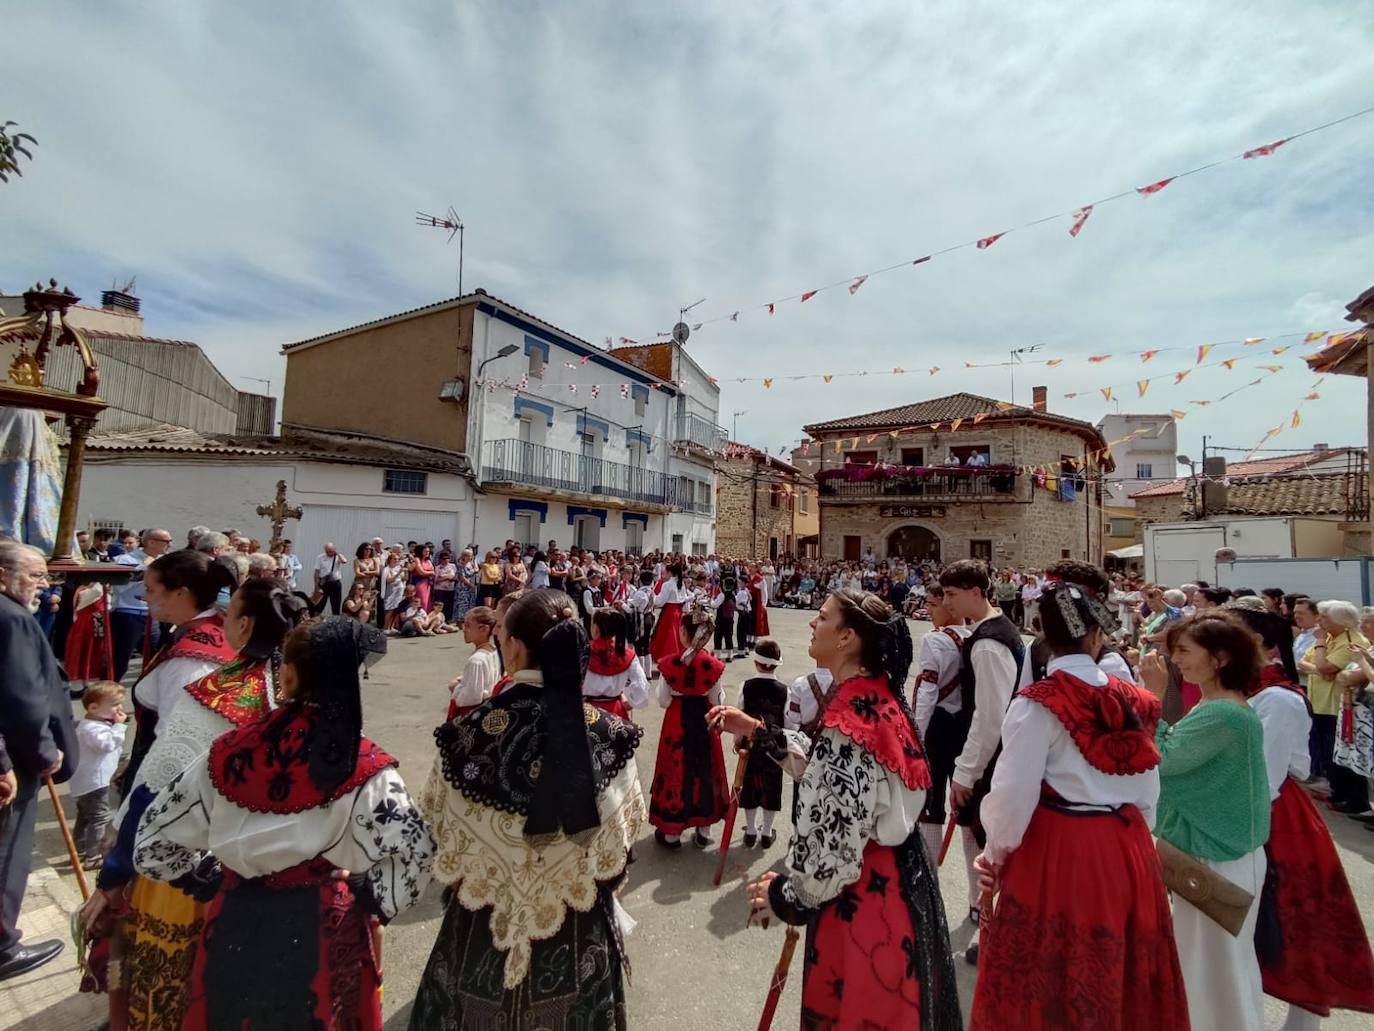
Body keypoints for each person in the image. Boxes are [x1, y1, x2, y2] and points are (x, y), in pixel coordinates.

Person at [134, 618, 435, 1029]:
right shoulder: (361, 763)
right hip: (325, 922)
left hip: (236, 913)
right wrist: (374, 894)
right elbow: (415, 850)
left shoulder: (229, 750)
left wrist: (199, 875)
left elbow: (153, 840)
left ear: (288, 673)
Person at [715, 590, 962, 1029]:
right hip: (896, 882)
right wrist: (758, 730)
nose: (813, 623)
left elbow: (835, 842)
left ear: (847, 637)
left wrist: (785, 896)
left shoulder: (854, 720)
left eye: (823, 617)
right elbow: (831, 774)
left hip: (866, 901)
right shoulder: (874, 697)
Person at [411, 591, 644, 1029]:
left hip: (483, 926)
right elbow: (622, 837)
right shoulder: (610, 735)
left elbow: (438, 824)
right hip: (577, 927)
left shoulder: (468, 732)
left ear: (514, 647)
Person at [969, 574, 1187, 1029]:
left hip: (1060, 849)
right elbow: (1148, 789)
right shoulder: (1140, 701)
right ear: (1096, 635)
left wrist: (995, 855)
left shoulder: (1037, 703)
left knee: (1048, 973)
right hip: (1126, 849)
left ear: (1044, 634)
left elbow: (1012, 798)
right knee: (1117, 968)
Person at [89, 552, 240, 1026]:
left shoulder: (194, 659)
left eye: (152, 590)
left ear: (180, 593)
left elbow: (173, 755)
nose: (146, 599)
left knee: (159, 936)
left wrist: (118, 858)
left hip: (173, 814)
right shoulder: (201, 636)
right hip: (179, 798)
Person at [1235, 606, 1374, 1028]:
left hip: (1273, 815)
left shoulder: (1276, 697)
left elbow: (1264, 775)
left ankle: (1299, 1016)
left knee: (1289, 918)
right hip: (1259, 808)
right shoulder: (1254, 691)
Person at [1140, 613, 1271, 1031]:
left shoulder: (1225, 713)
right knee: (1210, 969)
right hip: (1212, 851)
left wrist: (1155, 696)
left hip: (1218, 854)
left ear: (1218, 659)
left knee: (1218, 972)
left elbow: (1165, 760)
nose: (1174, 659)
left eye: (1182, 651)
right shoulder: (1218, 705)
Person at [940, 558, 1027, 952]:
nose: (947, 602)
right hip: (994, 757)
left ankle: (986, 916)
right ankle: (984, 912)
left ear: (976, 592)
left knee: (983, 836)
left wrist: (965, 772)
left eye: (953, 595)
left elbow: (990, 715)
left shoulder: (989, 643)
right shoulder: (990, 633)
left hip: (991, 760)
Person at [0, 541, 75, 980]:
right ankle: (3, 946)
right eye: (35, 576)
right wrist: (45, 752)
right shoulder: (11, 618)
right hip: (14, 761)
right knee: (7, 852)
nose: (44, 585)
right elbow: (23, 699)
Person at [649, 602, 729, 849]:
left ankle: (672, 833)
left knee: (677, 770)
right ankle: (704, 831)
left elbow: (663, 700)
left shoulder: (670, 664)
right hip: (704, 720)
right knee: (704, 768)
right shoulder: (712, 665)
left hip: (677, 722)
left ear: (684, 633)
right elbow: (718, 699)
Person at [912, 582, 970, 864]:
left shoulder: (934, 640)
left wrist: (917, 734)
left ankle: (929, 874)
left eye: (933, 605)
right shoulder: (974, 636)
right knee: (967, 809)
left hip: (937, 725)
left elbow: (927, 692)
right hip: (966, 725)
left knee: (931, 804)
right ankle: (974, 900)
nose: (929, 610)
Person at [1301, 600, 1369, 813]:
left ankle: (1353, 799)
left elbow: (1325, 666)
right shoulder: (1329, 637)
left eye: (1325, 617)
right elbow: (1304, 662)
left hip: (1337, 705)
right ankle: (1337, 792)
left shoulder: (1351, 641)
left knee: (1342, 756)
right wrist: (1321, 669)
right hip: (1319, 702)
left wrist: (1320, 647)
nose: (1320, 621)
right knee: (1327, 753)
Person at [735, 638, 787, 849]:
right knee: (771, 786)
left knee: (750, 784)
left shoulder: (746, 686)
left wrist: (738, 741)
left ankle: (750, 830)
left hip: (751, 742)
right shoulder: (784, 689)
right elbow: (789, 720)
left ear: (756, 662)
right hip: (775, 744)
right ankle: (766, 832)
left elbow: (739, 715)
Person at [70, 681, 128, 867]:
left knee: (86, 816)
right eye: (114, 705)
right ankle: (93, 854)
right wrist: (119, 727)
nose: (119, 709)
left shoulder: (96, 725)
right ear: (94, 708)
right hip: (94, 782)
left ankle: (79, 848)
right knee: (99, 817)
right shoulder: (91, 729)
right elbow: (108, 745)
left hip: (89, 781)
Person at [110, 527, 175, 681]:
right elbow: (119, 587)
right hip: (128, 613)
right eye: (167, 542)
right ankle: (107, 689)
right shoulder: (124, 560)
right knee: (120, 657)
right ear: (151, 542)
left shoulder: (163, 561)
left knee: (154, 656)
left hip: (153, 614)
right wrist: (145, 569)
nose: (170, 545)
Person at [583, 608, 650, 720]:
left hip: (587, 713)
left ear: (596, 628)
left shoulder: (582, 652)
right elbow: (641, 687)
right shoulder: (626, 654)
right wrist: (632, 703)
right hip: (615, 712)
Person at [445, 606, 501, 719]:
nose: (464, 629)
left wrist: (455, 687)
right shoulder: (494, 652)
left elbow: (471, 697)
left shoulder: (477, 660)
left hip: (473, 716)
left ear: (483, 629)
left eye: (468, 625)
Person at [312, 542, 347, 615]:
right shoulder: (320, 557)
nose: (329, 553)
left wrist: (337, 554)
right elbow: (317, 572)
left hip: (335, 583)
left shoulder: (338, 557)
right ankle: (314, 620)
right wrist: (316, 586)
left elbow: (344, 561)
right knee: (320, 604)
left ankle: (336, 621)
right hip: (324, 583)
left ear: (334, 549)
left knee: (336, 605)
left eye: (330, 551)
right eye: (327, 551)